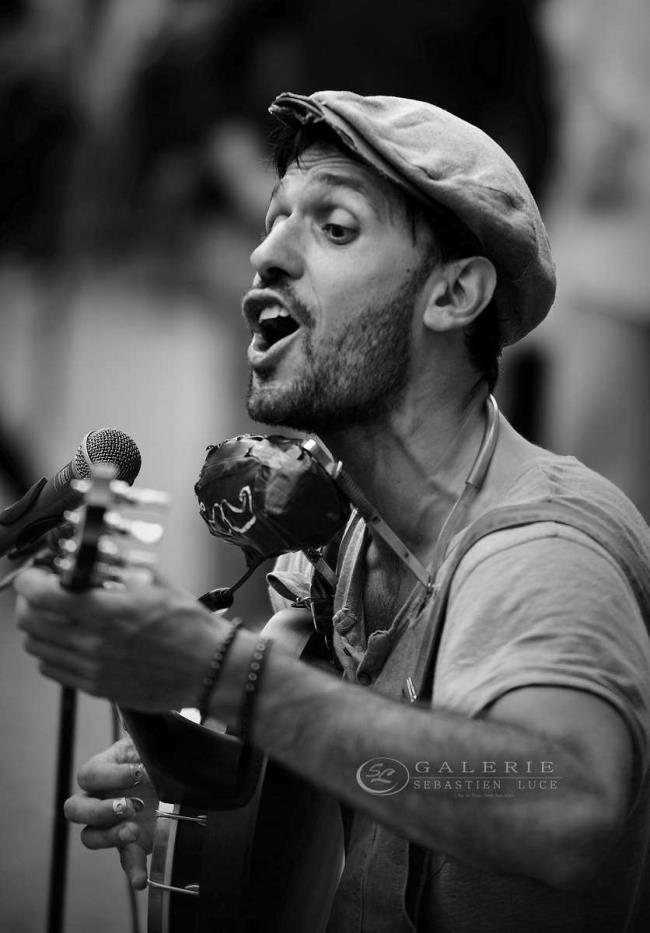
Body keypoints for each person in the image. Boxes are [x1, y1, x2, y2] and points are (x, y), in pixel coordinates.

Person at [14, 91, 650, 932]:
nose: (265, 253)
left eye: (335, 227)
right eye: (274, 219)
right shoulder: (347, 539)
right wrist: (173, 737)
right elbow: (282, 767)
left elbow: (560, 802)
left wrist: (221, 670)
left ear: (454, 293)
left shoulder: (540, 550)